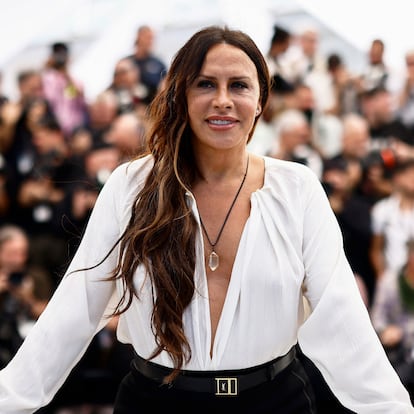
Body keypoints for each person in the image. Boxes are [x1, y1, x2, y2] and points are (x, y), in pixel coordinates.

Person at [0, 25, 412, 414]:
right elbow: (75, 308)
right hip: (156, 401)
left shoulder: (297, 188)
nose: (222, 100)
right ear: (180, 95)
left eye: (238, 85)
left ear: (261, 101)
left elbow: (342, 317)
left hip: (274, 401)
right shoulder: (132, 185)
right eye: (205, 84)